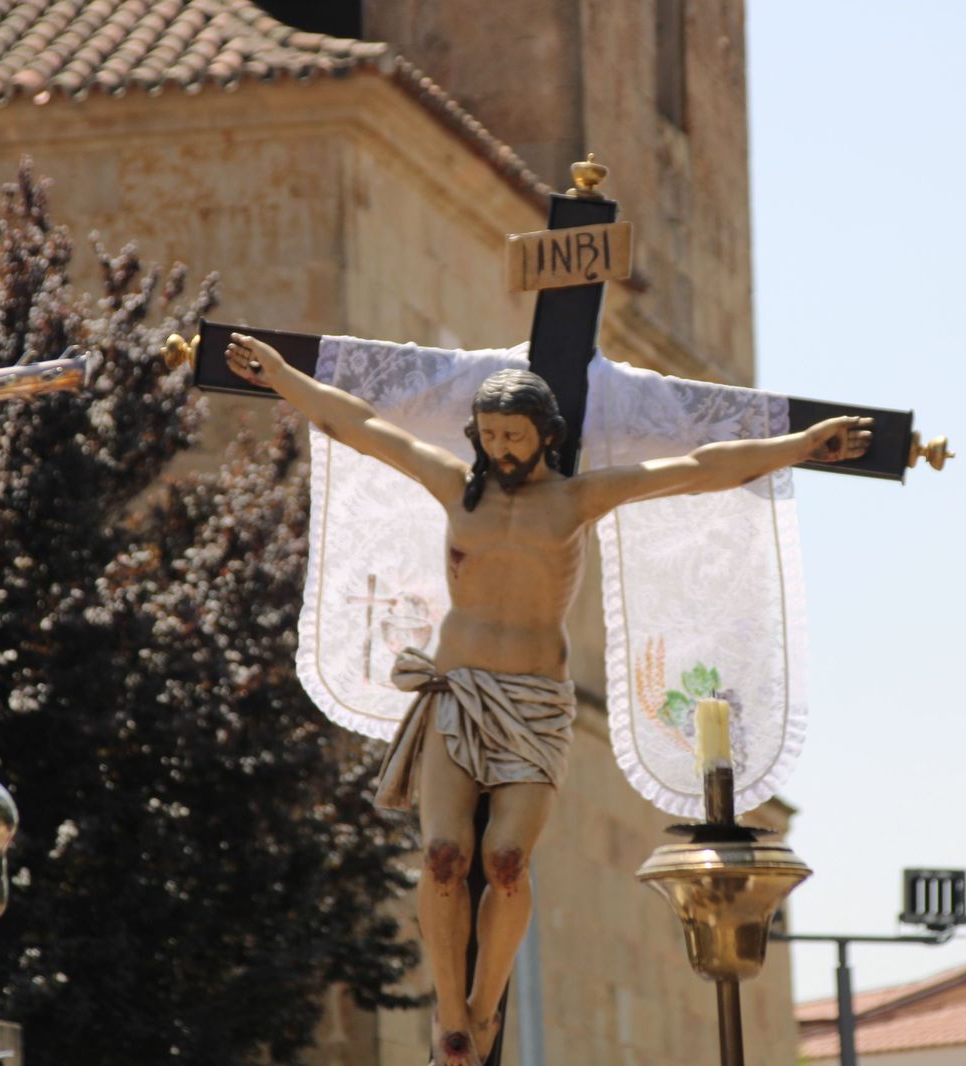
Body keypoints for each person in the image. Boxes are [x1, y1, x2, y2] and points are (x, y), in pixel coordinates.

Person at [224, 333, 871, 1065]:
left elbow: (695, 469)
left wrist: (800, 445)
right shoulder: (452, 484)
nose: (501, 448)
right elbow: (361, 426)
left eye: (514, 436)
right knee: (441, 854)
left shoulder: (575, 500)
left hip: (532, 703)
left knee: (504, 861)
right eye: (491, 435)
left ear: (546, 437)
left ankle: (487, 1005)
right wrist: (279, 375)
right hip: (458, 693)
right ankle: (452, 1014)